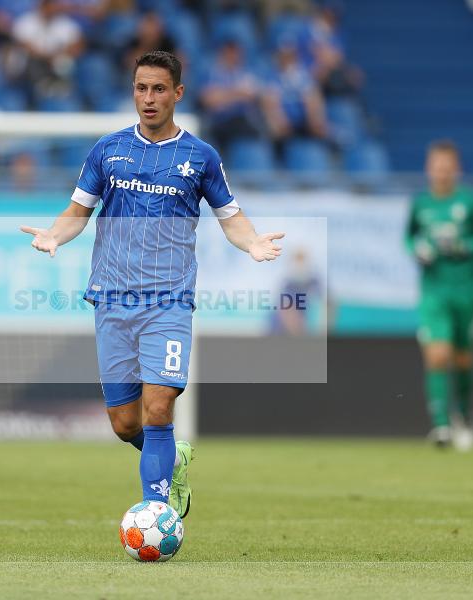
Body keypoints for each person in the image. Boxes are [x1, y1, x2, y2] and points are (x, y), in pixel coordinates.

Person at [20, 51, 285, 517]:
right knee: (125, 423)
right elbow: (78, 211)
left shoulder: (201, 157)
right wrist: (54, 234)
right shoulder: (108, 150)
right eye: (141, 88)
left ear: (177, 93)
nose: (149, 97)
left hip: (169, 301)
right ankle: (172, 460)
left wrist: (252, 242)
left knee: (158, 407)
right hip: (112, 297)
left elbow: (231, 216)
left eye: (159, 89)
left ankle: (156, 511)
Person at [404, 140, 473, 451]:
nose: (441, 172)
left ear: (456, 169)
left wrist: (464, 245)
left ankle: (464, 414)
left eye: (446, 167)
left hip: (466, 288)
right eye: (436, 167)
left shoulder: (471, 201)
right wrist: (418, 249)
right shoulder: (420, 204)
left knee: (462, 357)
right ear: (428, 169)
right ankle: (441, 425)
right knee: (437, 354)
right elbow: (409, 238)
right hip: (434, 289)